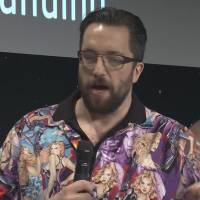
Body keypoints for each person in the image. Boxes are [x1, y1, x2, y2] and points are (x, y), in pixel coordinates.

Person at [0, 7, 199, 200]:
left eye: (114, 59)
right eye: (89, 56)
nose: (98, 70)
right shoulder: (29, 131)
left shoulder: (176, 143)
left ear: (137, 71)